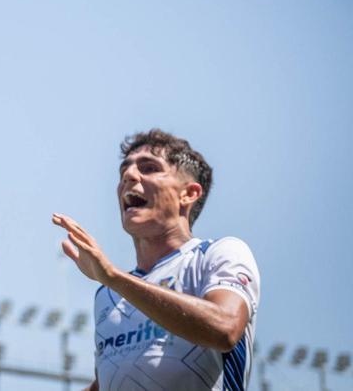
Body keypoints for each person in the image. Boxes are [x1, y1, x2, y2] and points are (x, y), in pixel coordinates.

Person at [53, 129, 260, 391]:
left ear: (189, 194)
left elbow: (226, 328)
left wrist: (114, 277)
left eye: (149, 168)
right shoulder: (107, 295)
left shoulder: (218, 253)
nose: (129, 176)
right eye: (124, 171)